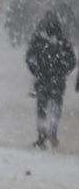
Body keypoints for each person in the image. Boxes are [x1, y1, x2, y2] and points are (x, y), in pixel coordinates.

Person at [25, 11, 76, 149]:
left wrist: (36, 70)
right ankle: (53, 132)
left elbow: (29, 58)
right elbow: (72, 61)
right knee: (56, 108)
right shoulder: (63, 43)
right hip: (57, 81)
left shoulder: (38, 42)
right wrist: (63, 71)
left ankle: (42, 137)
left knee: (42, 109)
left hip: (42, 80)